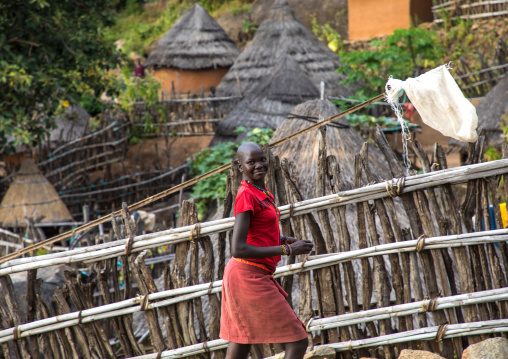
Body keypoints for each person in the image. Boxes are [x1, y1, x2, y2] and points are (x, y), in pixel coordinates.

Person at [220, 141, 314, 359]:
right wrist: (286, 250)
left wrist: (281, 239)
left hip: (252, 273)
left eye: (261, 159)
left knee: (242, 340)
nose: (258, 165)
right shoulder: (246, 195)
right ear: (239, 166)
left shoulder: (261, 191)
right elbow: (238, 248)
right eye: (250, 162)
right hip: (247, 274)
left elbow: (256, 232)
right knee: (298, 339)